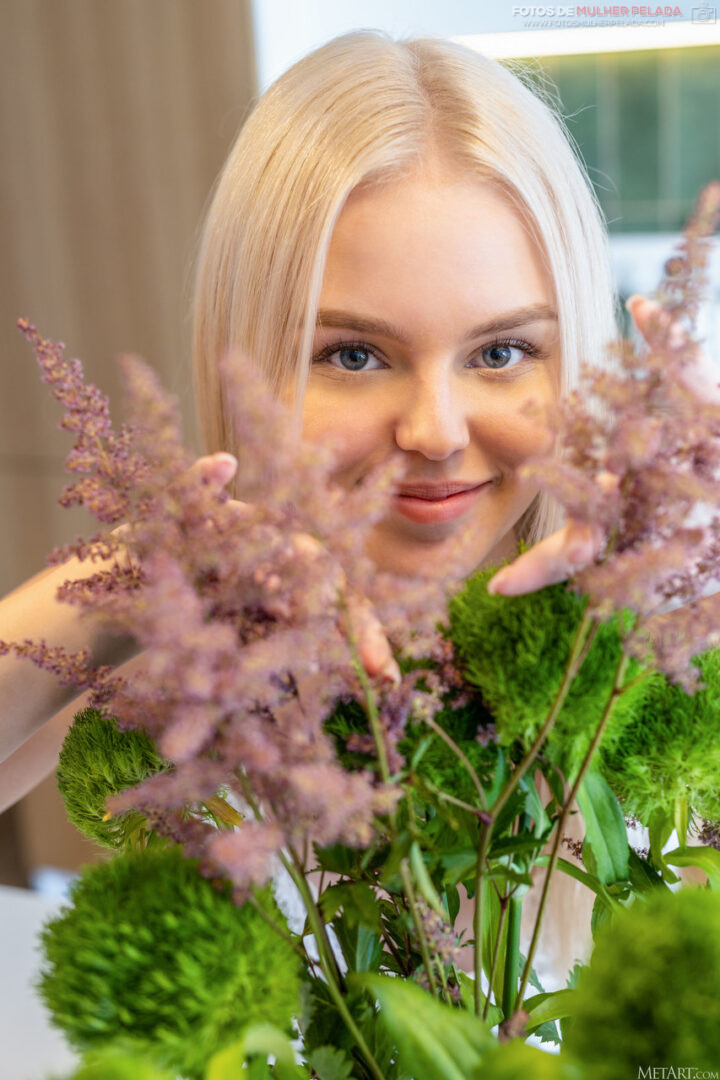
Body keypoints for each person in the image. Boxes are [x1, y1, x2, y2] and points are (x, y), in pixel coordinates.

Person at [0, 29, 670, 975]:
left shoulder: (659, 658)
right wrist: (123, 589)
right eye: (354, 355)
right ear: (251, 373)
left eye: (500, 352)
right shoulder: (190, 676)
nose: (434, 430)